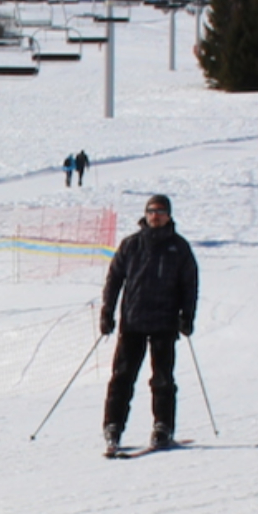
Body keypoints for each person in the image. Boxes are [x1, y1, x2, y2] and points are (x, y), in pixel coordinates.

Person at [99, 194, 199, 457]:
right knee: (122, 378)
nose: (157, 216)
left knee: (163, 379)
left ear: (169, 216)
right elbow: (114, 280)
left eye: (162, 211)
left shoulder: (179, 247)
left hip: (164, 323)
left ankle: (163, 427)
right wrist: (107, 313)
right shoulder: (131, 245)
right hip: (133, 322)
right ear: (146, 215)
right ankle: (113, 427)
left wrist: (187, 316)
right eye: (152, 211)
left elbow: (190, 285)